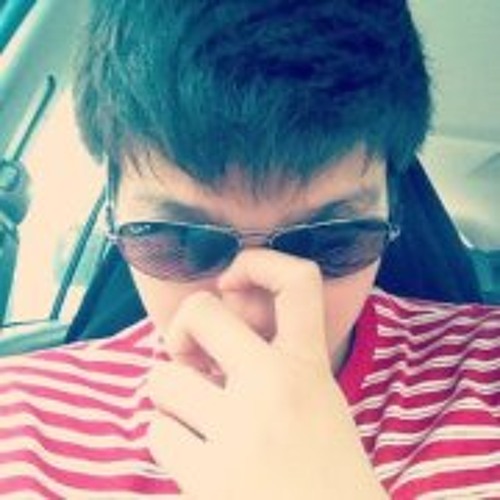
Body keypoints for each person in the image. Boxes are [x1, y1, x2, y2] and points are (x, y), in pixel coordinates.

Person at [1, 0, 499, 498]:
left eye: (331, 239)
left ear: (394, 208)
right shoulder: (19, 422)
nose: (254, 315)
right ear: (114, 211)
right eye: (181, 240)